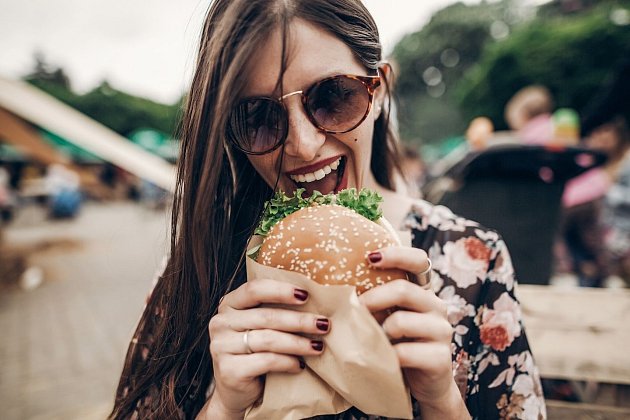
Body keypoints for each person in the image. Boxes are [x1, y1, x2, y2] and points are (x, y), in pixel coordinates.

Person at [110, 1, 545, 419]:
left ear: (379, 89)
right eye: (258, 117)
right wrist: (224, 407)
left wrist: (441, 401)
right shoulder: (198, 265)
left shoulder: (474, 258)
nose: (303, 145)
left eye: (333, 96)